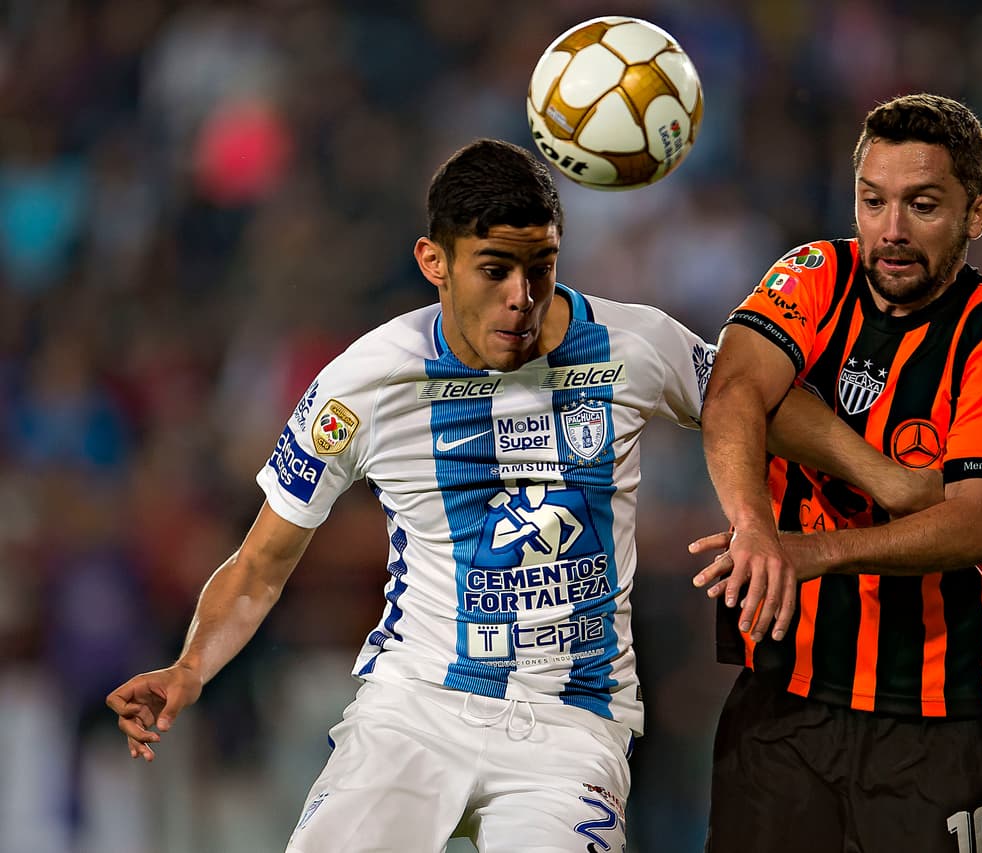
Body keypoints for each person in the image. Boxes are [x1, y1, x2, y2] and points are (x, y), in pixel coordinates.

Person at [105, 138, 935, 852]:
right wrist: (189, 667)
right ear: (434, 261)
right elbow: (257, 569)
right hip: (414, 709)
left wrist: (882, 472)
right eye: (495, 270)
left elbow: (747, 396)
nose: (522, 297)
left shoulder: (632, 343)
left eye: (541, 268)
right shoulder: (361, 384)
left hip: (573, 725)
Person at [690, 93, 982, 852]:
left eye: (922, 205)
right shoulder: (814, 272)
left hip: (936, 713)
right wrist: (773, 522)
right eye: (872, 200)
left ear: (977, 213)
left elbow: (977, 522)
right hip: (783, 693)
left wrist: (811, 550)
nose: (891, 230)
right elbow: (733, 392)